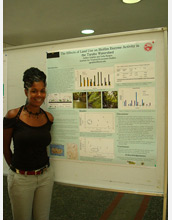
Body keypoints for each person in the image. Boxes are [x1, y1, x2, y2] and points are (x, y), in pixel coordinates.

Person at [3, 67, 54, 220]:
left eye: (42, 90)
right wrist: (17, 170)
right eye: (34, 91)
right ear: (26, 92)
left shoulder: (48, 118)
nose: (39, 95)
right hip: (21, 179)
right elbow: (5, 147)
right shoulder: (13, 115)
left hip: (45, 176)